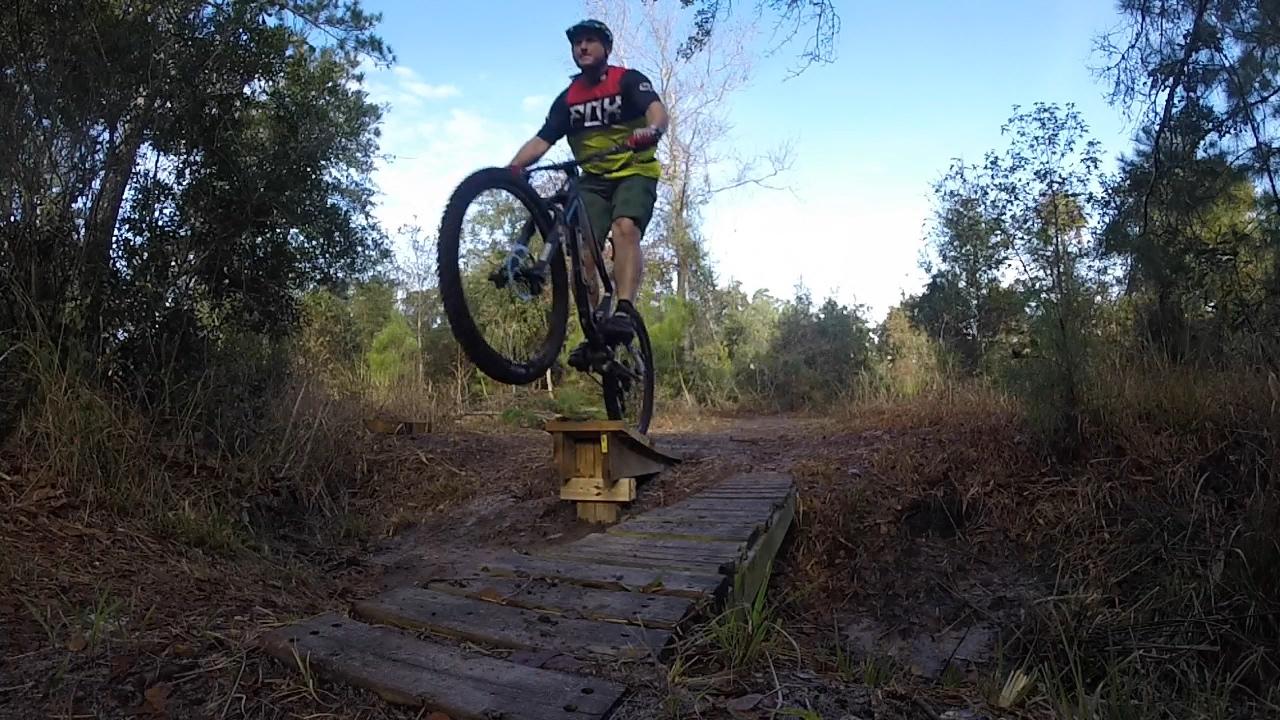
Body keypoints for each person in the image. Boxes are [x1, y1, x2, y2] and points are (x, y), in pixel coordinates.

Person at [507, 19, 668, 368]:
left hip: (634, 171)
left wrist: (653, 130)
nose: (582, 48)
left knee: (625, 227)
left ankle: (624, 309)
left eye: (590, 41)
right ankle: (595, 327)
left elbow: (657, 112)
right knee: (583, 255)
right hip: (593, 180)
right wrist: (512, 170)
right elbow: (541, 140)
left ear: (605, 49)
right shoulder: (568, 99)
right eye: (577, 43)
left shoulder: (626, 80)